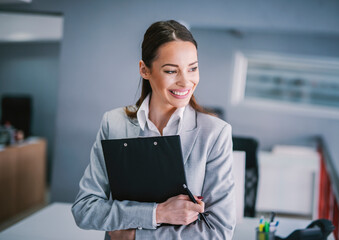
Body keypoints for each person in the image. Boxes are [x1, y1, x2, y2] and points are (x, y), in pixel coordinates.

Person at [72, 20, 236, 240]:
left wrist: (134, 237)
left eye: (193, 68)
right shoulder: (114, 123)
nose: (186, 81)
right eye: (171, 71)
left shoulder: (215, 134)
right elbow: (84, 209)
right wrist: (158, 213)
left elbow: (219, 231)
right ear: (144, 70)